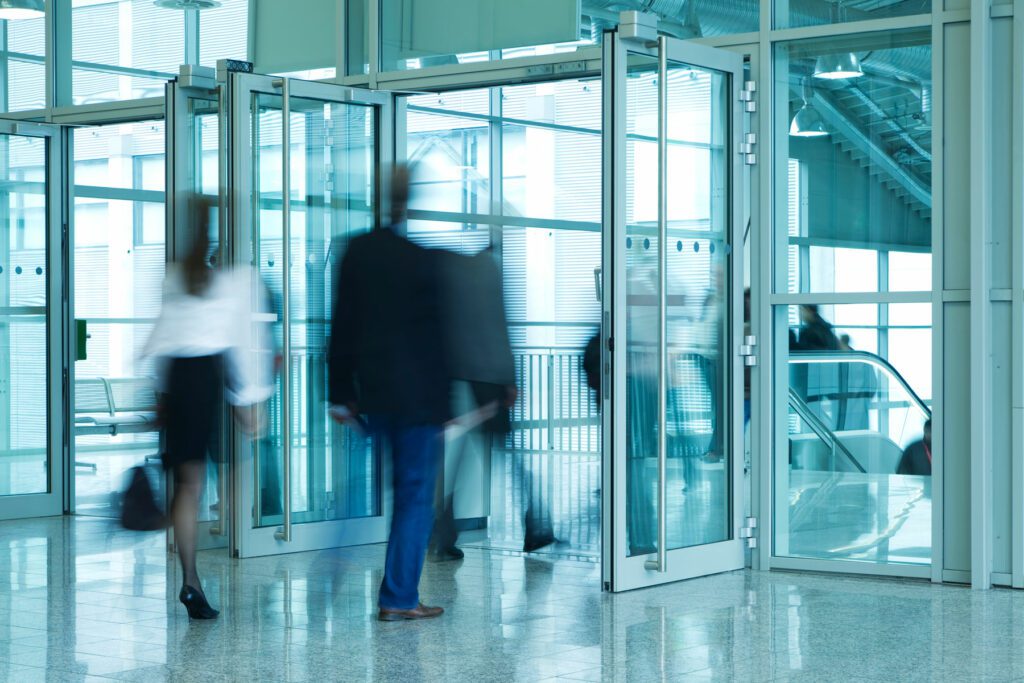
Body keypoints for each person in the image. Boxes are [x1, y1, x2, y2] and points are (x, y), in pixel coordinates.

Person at [328, 164, 450, 622]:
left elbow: (341, 326)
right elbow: (437, 341)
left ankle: (334, 559)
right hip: (418, 401)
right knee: (413, 496)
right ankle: (398, 597)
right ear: (409, 202)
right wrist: (444, 405)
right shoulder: (423, 260)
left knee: (359, 483)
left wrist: (340, 392)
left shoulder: (357, 252)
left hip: (373, 394)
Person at [143, 197, 273, 620]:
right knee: (234, 473)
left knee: (188, 486)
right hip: (213, 374)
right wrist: (248, 399)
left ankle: (191, 579)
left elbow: (160, 338)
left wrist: (160, 395)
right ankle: (233, 538)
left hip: (180, 378)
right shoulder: (236, 278)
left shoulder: (175, 275)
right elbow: (240, 339)